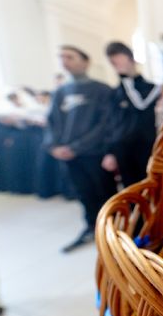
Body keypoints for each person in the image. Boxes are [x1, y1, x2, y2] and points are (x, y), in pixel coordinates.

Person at [45, 45, 116, 252]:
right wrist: (54, 146)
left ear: (85, 62)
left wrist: (77, 147)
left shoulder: (102, 90)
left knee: (104, 192)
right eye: (62, 57)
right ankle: (91, 227)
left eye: (70, 57)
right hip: (69, 156)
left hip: (95, 154)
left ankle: (112, 229)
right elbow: (52, 123)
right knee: (83, 193)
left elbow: (105, 124)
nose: (65, 61)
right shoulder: (60, 92)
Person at [102, 41, 161, 186]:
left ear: (130, 58)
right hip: (122, 149)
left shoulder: (152, 88)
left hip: (146, 146)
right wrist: (110, 152)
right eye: (112, 61)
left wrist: (126, 80)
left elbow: (141, 105)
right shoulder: (114, 92)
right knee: (129, 188)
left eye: (119, 58)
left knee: (150, 186)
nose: (116, 63)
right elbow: (111, 123)